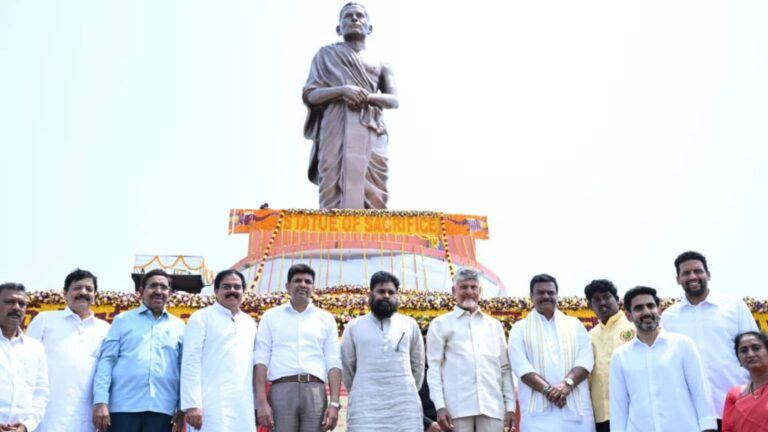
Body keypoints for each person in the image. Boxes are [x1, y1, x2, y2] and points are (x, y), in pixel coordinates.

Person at [302, 2, 398, 209]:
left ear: (369, 28)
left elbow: (393, 100)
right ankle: (332, 236)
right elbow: (311, 94)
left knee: (374, 190)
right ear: (339, 28)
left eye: (359, 16)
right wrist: (342, 91)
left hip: (371, 128)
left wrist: (367, 97)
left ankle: (372, 237)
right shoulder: (325, 56)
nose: (354, 19)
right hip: (334, 128)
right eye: (348, 16)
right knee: (331, 186)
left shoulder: (382, 63)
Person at [661, 251, 759, 427]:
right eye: (686, 273)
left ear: (708, 274)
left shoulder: (733, 306)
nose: (693, 276)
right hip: (693, 413)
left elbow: (755, 350)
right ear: (678, 279)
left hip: (738, 404)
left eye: (698, 271)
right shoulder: (669, 317)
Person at [610, 286, 717, 432]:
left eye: (651, 306)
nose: (646, 312)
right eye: (639, 308)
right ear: (629, 316)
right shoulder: (620, 356)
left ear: (659, 310)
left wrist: (708, 428)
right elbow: (618, 406)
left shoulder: (682, 345)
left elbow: (700, 391)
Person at [92, 269, 185, 432]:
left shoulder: (179, 326)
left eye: (163, 287)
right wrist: (100, 401)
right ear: (141, 291)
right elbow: (107, 361)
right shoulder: (123, 320)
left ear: (169, 293)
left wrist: (182, 406)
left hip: (162, 409)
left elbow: (184, 368)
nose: (158, 291)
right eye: (153, 286)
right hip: (123, 407)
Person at [254, 264, 342, 432]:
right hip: (281, 389)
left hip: (315, 390)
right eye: (297, 281)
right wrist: (262, 402)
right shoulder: (271, 317)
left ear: (313, 287)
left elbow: (333, 362)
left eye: (307, 281)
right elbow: (261, 360)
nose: (303, 284)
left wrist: (334, 404)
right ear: (287, 286)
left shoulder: (326, 319)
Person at [427, 267, 517, 432]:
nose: (469, 291)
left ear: (480, 291)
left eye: (473, 287)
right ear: (454, 290)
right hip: (456, 409)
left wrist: (510, 407)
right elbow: (434, 369)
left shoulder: (494, 326)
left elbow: (504, 369)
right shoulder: (440, 324)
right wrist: (440, 406)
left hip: (491, 407)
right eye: (464, 287)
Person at [508, 273, 595, 432]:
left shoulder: (575, 325)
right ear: (531, 296)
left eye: (550, 292)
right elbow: (521, 367)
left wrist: (566, 384)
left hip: (576, 413)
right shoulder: (519, 329)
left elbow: (585, 360)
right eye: (540, 293)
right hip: (537, 416)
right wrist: (548, 391)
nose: (546, 296)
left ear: (556, 295)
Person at [26, 269, 110, 432]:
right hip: (47, 417)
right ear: (65, 293)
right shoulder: (45, 320)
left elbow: (106, 372)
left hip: (85, 419)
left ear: (95, 295)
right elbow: (26, 365)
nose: (83, 292)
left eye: (89, 289)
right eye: (77, 288)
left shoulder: (105, 329)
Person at [341, 271, 424, 431]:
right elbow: (347, 366)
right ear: (370, 294)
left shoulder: (409, 325)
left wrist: (404, 387)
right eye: (381, 291)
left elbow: (418, 365)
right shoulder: (354, 326)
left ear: (397, 296)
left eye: (391, 292)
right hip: (365, 407)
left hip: (403, 405)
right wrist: (362, 389)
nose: (386, 295)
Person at [181, 269, 258, 432]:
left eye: (237, 287)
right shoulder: (202, 317)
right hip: (209, 406)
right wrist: (192, 404)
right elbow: (190, 362)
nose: (232, 291)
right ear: (216, 291)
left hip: (242, 406)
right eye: (226, 287)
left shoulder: (249, 322)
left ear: (243, 291)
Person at [584, 279, 635, 432]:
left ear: (617, 299)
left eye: (606, 297)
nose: (602, 302)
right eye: (596, 300)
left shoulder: (633, 328)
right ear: (591, 306)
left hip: (631, 412)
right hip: (601, 416)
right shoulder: (589, 336)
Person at [0, 283, 48, 432]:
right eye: (9, 302)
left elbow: (41, 393)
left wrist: (26, 426)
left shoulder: (35, 348)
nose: (16, 307)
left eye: (22, 303)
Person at [722, 331, 768, 432]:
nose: (750, 354)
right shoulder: (733, 396)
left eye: (756, 348)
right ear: (739, 360)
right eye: (743, 351)